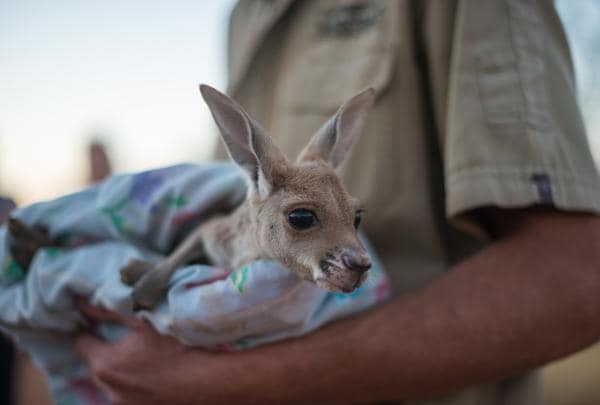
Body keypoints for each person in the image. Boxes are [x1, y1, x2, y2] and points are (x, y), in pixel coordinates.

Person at [73, 1, 600, 404]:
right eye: (307, 219)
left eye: (354, 222)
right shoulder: (246, 14)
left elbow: (578, 273)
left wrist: (222, 382)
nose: (356, 251)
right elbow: (214, 220)